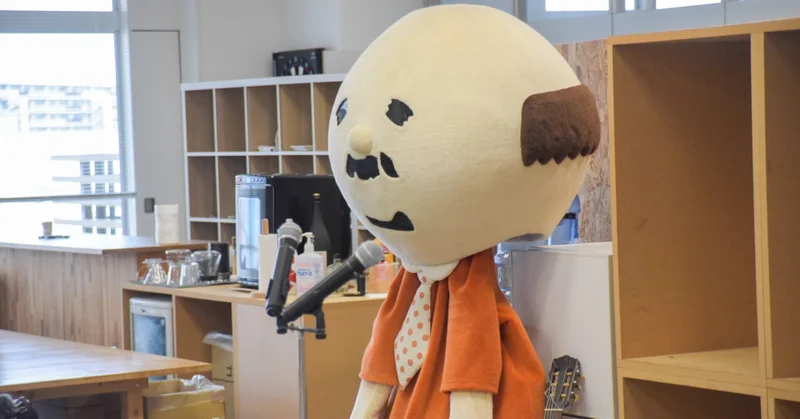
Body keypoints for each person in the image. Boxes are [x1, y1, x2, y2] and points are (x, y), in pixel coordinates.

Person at [327, 4, 601, 418]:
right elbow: (384, 346)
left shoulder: (471, 283)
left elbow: (472, 361)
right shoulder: (410, 281)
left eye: (399, 116)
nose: (358, 139)